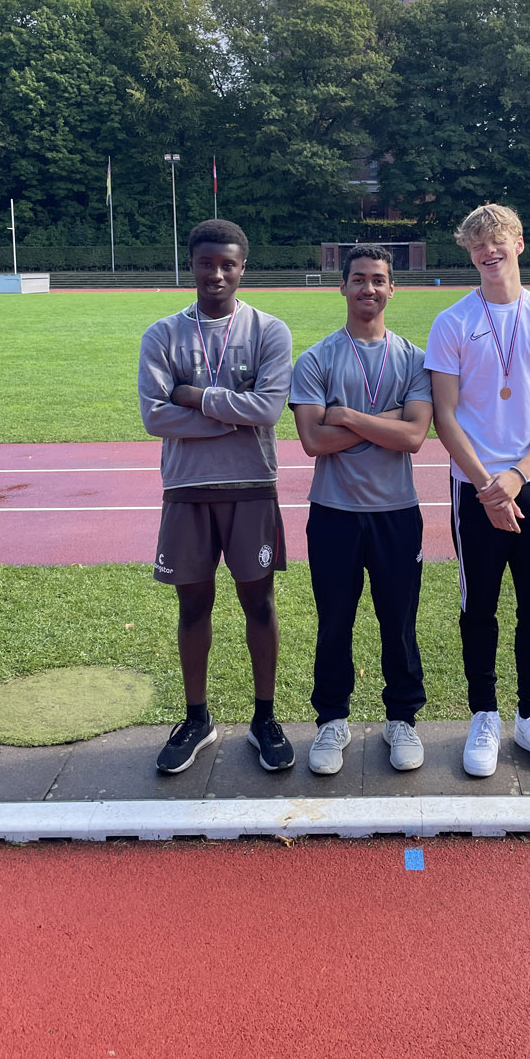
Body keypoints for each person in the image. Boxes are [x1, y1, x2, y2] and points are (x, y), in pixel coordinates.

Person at [424, 203, 530, 779]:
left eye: (497, 240)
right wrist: (487, 484)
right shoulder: (452, 322)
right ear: (470, 254)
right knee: (479, 607)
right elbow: (444, 415)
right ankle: (484, 714)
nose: (488, 251)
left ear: (518, 243)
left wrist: (515, 476)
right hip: (473, 487)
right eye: (477, 245)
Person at [138, 218, 295, 775]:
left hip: (251, 485)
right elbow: (155, 417)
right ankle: (196, 717)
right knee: (192, 606)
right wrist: (232, 413)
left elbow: (269, 410)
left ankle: (265, 718)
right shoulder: (162, 334)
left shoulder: (269, 330)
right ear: (192, 265)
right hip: (187, 488)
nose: (217, 274)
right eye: (207, 263)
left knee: (260, 604)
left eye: (228, 264)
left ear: (242, 267)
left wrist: (195, 397)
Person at [290, 244, 432, 775]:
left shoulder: (415, 359)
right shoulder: (316, 359)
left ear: (392, 287)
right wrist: (388, 421)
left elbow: (415, 437)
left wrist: (346, 416)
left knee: (399, 621)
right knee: (335, 622)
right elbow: (312, 441)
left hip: (397, 512)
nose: (368, 288)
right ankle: (332, 720)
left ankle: (402, 719)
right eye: (358, 279)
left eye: (377, 279)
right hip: (334, 512)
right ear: (343, 286)